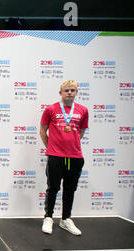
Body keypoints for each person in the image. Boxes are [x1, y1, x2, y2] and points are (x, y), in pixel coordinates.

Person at [40, 80, 89, 235]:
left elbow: (80, 131)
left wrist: (70, 146)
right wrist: (52, 148)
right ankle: (48, 218)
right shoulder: (51, 109)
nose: (69, 93)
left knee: (70, 189)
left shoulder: (83, 110)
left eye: (72, 90)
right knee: (53, 187)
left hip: (75, 156)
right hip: (55, 156)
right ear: (60, 92)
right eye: (66, 90)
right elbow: (43, 130)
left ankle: (66, 219)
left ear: (76, 92)